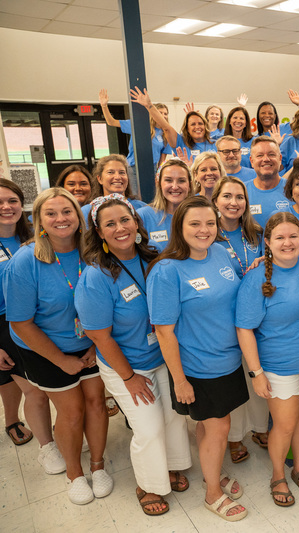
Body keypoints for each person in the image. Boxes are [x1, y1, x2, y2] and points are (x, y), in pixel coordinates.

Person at [75, 194, 191, 515]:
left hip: (161, 359)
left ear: (137, 223)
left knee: (173, 417)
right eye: (109, 224)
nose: (120, 228)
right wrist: (129, 377)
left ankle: (172, 465)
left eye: (125, 220)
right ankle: (148, 484)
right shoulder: (96, 276)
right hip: (125, 366)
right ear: (99, 233)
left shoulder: (153, 258)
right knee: (149, 426)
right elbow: (99, 335)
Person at [5, 187, 111, 505]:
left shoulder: (93, 250)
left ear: (79, 218)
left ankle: (98, 464)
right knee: (72, 410)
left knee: (96, 404)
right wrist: (61, 359)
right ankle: (75, 473)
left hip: (90, 343)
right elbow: (20, 323)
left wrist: (96, 345)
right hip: (45, 348)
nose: (60, 218)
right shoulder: (26, 261)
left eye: (67, 212)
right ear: (38, 220)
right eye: (50, 213)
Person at [146, 196, 248, 521]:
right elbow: (164, 332)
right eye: (195, 223)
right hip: (200, 368)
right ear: (180, 227)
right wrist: (180, 380)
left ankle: (211, 474)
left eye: (209, 223)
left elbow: (235, 288)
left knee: (209, 425)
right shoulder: (166, 271)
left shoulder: (219, 251)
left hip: (229, 360)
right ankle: (213, 495)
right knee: (220, 427)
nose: (204, 230)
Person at [235, 212, 299, 507]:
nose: (288, 243)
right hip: (278, 367)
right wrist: (256, 372)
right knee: (284, 425)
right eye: (280, 238)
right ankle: (277, 475)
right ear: (268, 243)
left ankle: (298, 467)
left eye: (293, 236)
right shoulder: (256, 278)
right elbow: (244, 328)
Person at [210, 176, 269, 456]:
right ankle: (235, 436)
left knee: (256, 372)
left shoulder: (255, 232)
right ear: (215, 201)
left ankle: (260, 428)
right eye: (227, 196)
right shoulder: (208, 236)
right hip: (223, 319)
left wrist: (264, 262)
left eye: (239, 197)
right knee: (234, 381)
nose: (234, 203)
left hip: (256, 317)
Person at [0, 179, 57, 459]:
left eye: (12, 200)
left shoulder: (35, 235)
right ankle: (47, 448)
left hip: (38, 318)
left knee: (36, 385)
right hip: (4, 324)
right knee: (34, 390)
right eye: (0, 202)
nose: (6, 207)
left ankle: (18, 422)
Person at [98, 88, 171, 180]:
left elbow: (162, 159)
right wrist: (104, 106)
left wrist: (160, 174)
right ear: (153, 113)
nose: (163, 116)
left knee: (151, 194)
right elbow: (111, 122)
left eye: (165, 113)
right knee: (135, 194)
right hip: (134, 167)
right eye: (160, 113)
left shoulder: (166, 133)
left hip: (152, 170)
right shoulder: (139, 125)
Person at [136, 159, 191, 252]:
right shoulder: (143, 216)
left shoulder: (198, 216)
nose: (175, 186)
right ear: (158, 183)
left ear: (190, 185)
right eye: (168, 180)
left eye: (181, 181)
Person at [82, 155, 146, 221]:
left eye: (122, 172)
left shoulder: (142, 208)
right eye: (110, 172)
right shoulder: (86, 212)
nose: (117, 177)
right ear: (100, 179)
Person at [246, 136, 288, 228]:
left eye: (271, 154)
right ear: (252, 161)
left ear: (280, 159)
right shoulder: (241, 192)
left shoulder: (294, 189)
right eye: (260, 155)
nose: (266, 159)